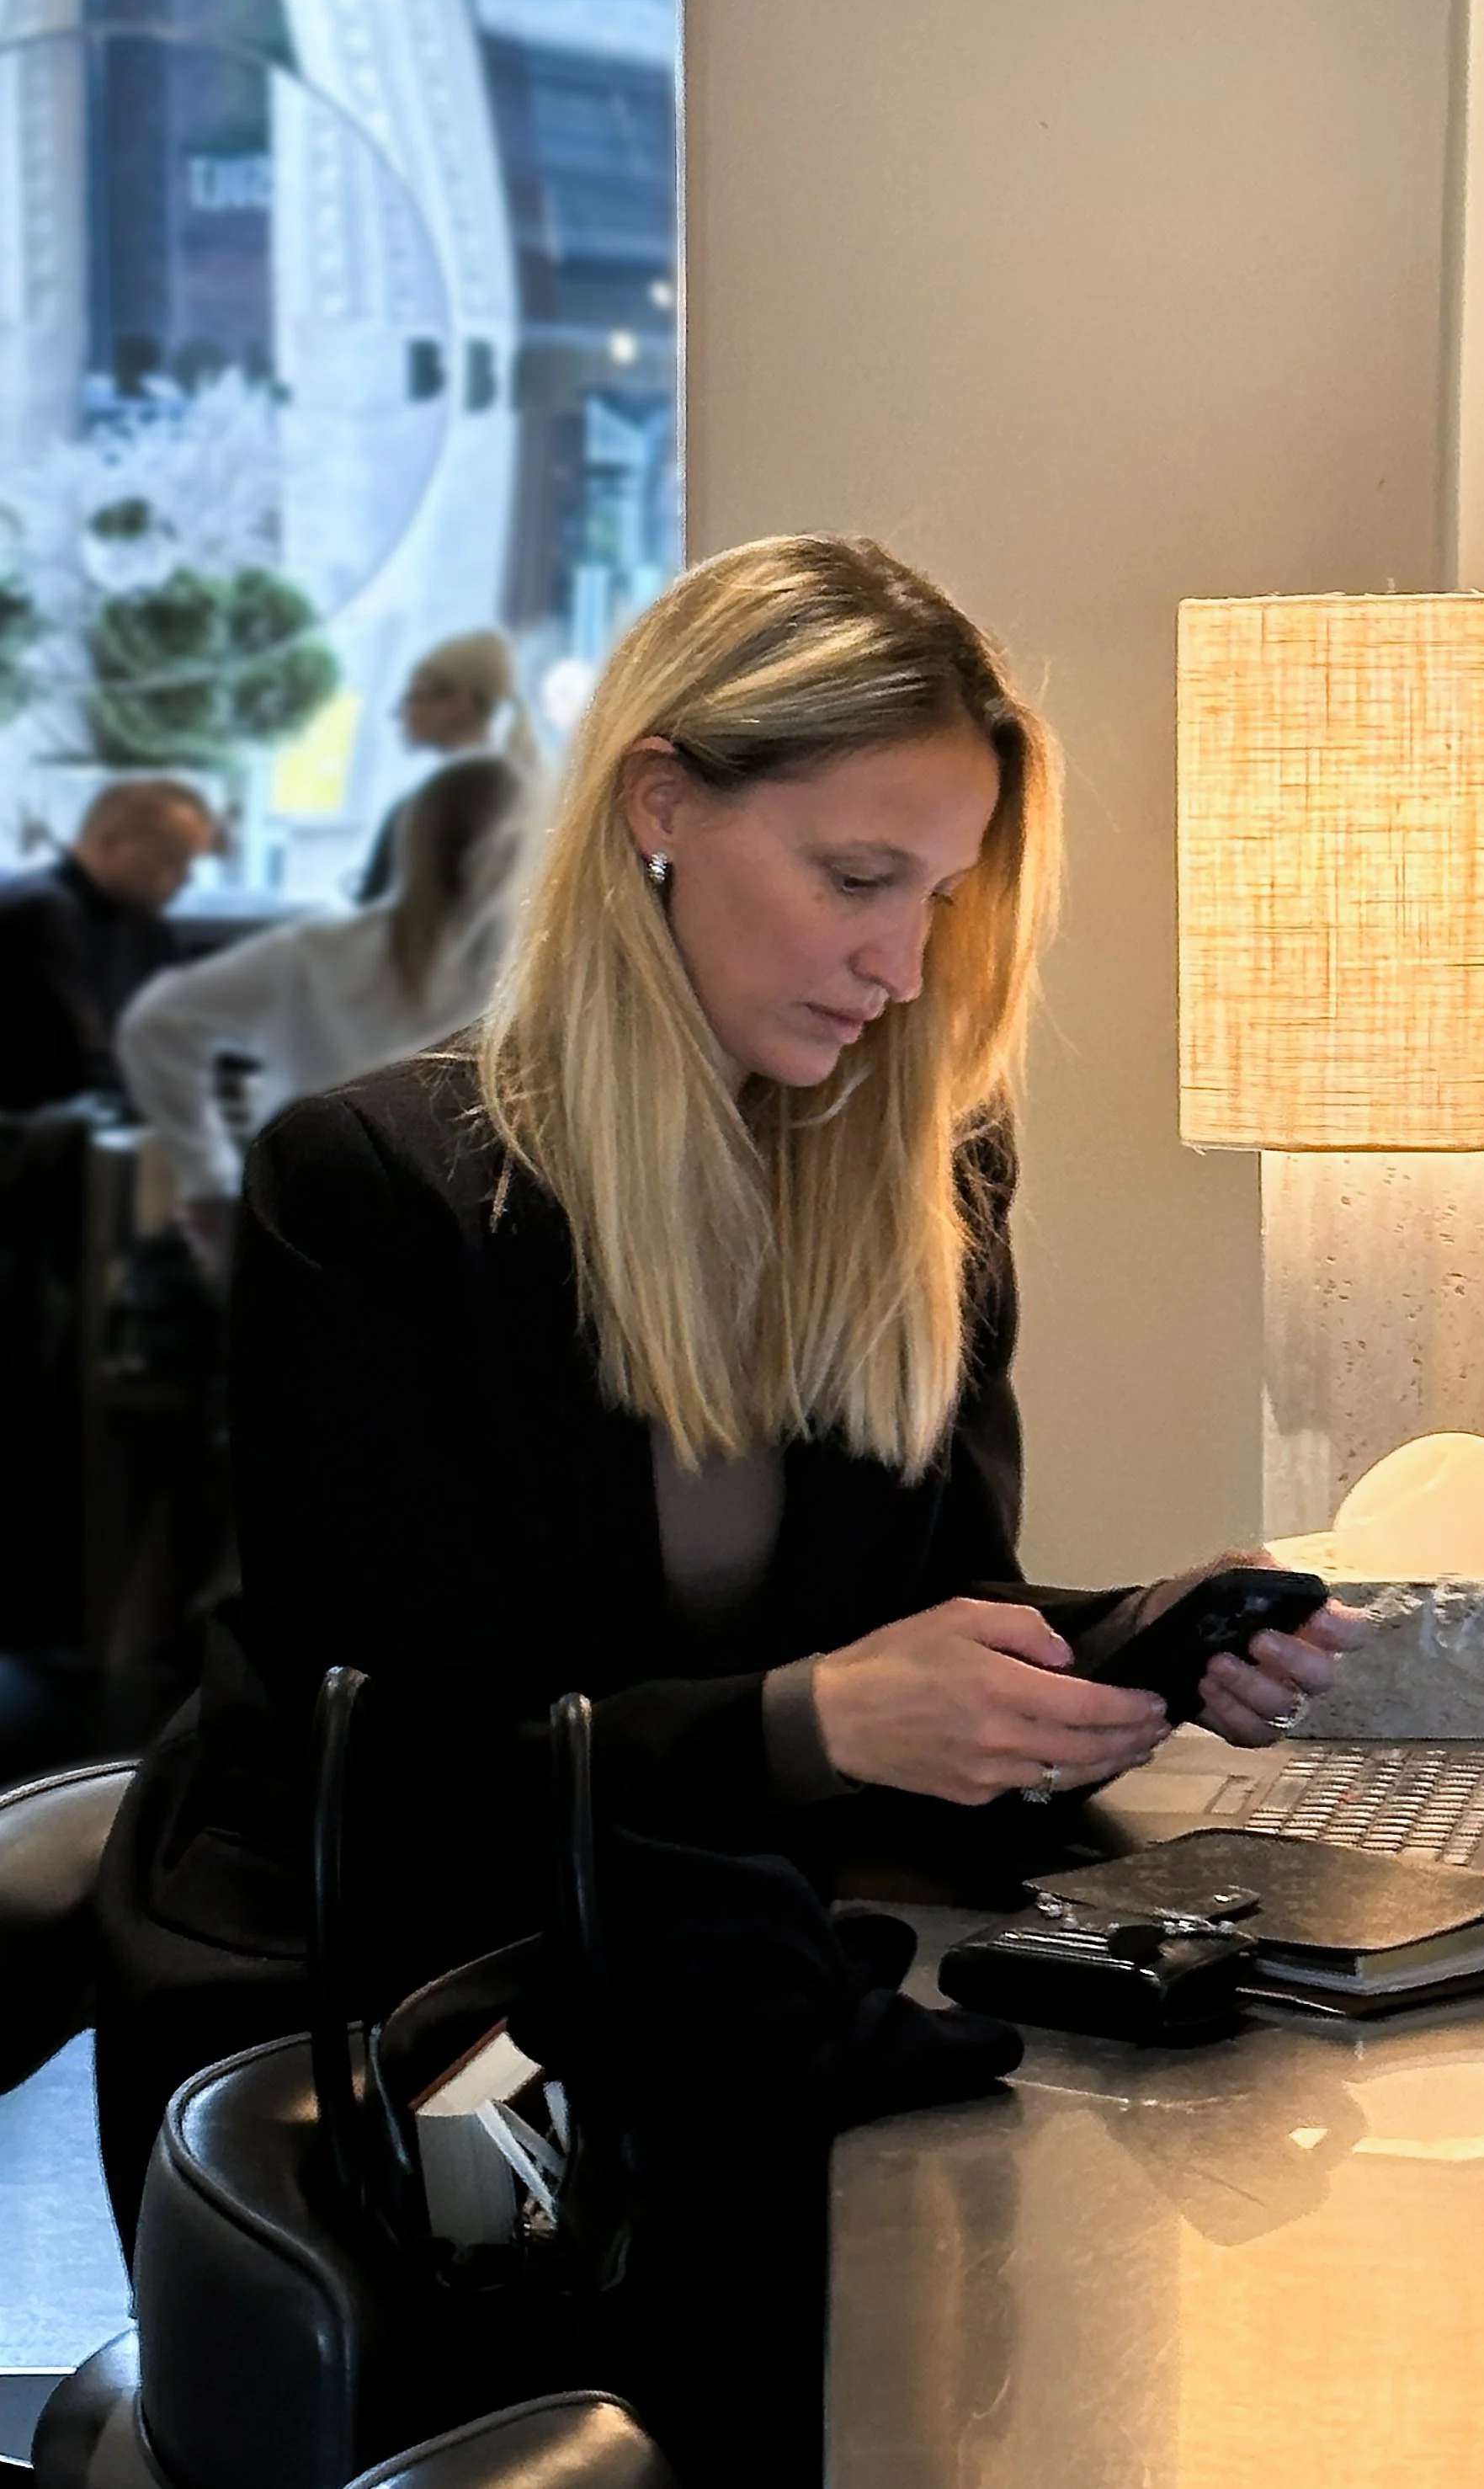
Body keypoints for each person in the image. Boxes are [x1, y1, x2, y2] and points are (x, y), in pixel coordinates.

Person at [94, 538, 1367, 2441]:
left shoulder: (928, 1176)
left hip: (677, 1954)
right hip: (379, 2009)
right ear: (660, 806)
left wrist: (1130, 1648)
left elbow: (922, 1607)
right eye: (857, 877)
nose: (903, 964)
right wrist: (815, 1722)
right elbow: (418, 1771)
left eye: (941, 894)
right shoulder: (368, 1194)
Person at [114, 749, 524, 1288]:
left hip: (315, 1221)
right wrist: (209, 1180)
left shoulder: (322, 953)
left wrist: (207, 1180)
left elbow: (158, 1025)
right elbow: (158, 1026)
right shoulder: (525, 979)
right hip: (447, 1239)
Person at [0, 778, 217, 1112]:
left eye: (189, 863)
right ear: (108, 843)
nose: (186, 878)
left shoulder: (146, 923)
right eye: (170, 859)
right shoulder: (40, 914)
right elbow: (77, 1063)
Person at [355, 626, 545, 905]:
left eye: (413, 697)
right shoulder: (524, 797)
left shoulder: (430, 811)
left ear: (459, 702)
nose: (400, 713)